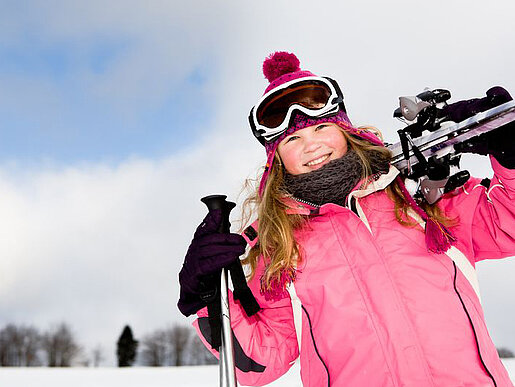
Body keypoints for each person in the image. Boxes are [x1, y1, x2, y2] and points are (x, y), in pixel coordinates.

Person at [177, 51, 515, 386]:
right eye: (293, 139)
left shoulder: (422, 199)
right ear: (276, 159)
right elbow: (258, 361)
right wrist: (204, 296)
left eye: (321, 128)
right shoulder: (281, 249)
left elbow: (508, 221)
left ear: (344, 131)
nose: (311, 146)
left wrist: (510, 153)